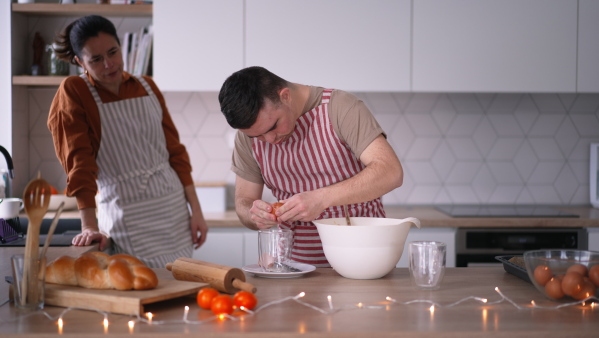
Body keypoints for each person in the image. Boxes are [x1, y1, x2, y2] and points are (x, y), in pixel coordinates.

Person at [47, 15, 208, 268]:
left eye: (113, 52)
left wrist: (196, 211)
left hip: (173, 211)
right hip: (126, 217)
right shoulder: (75, 91)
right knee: (137, 292)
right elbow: (80, 163)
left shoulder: (147, 86)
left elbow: (175, 153)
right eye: (96, 60)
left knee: (180, 289)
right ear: (79, 61)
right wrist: (89, 226)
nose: (109, 64)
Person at [219, 66, 403, 267]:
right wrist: (253, 215)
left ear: (285, 96)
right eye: (257, 136)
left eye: (273, 127)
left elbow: (390, 171)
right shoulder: (248, 138)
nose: (269, 140)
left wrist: (322, 198)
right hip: (292, 266)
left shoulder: (340, 108)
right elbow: (244, 201)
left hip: (363, 260)